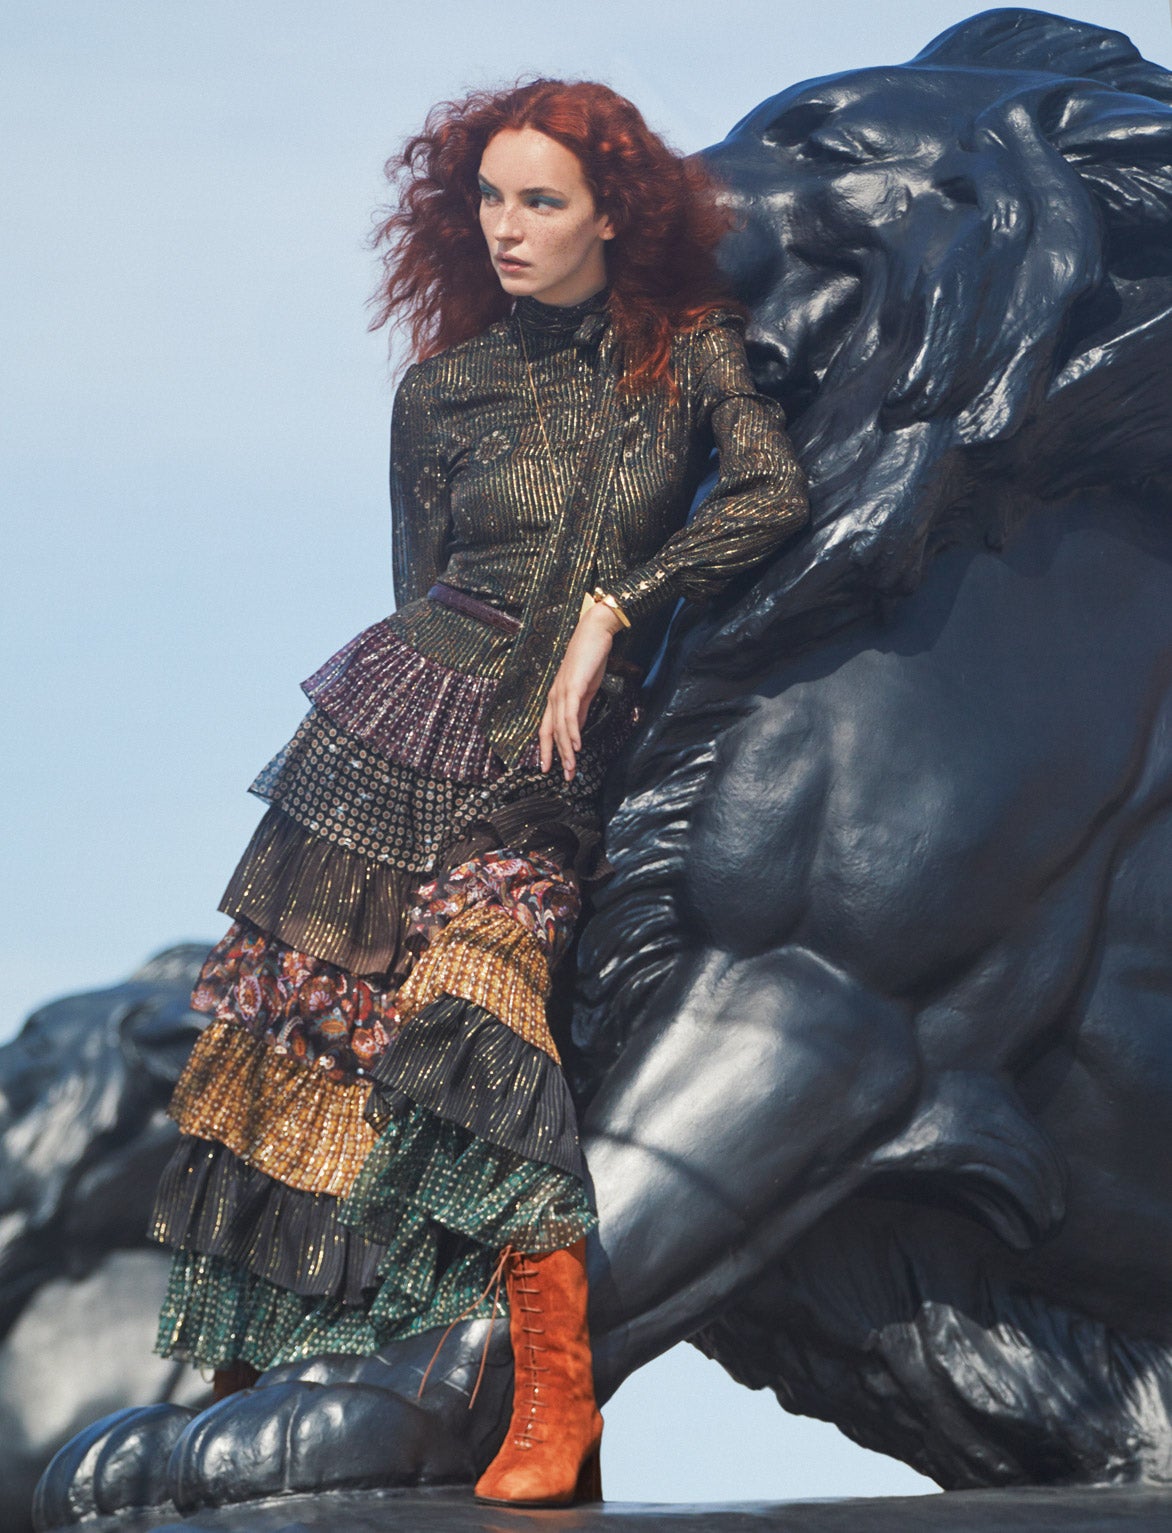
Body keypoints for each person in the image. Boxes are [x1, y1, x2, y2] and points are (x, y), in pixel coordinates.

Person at [147, 77, 810, 1508]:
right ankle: (247, 1404)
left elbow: (771, 498)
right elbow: (415, 585)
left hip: (556, 755)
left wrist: (618, 605)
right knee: (301, 1051)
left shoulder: (688, 356)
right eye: (489, 198)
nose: (505, 228)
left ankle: (554, 1393)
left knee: (481, 1011)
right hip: (392, 734)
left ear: (613, 215)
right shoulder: (439, 389)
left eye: (541, 200)